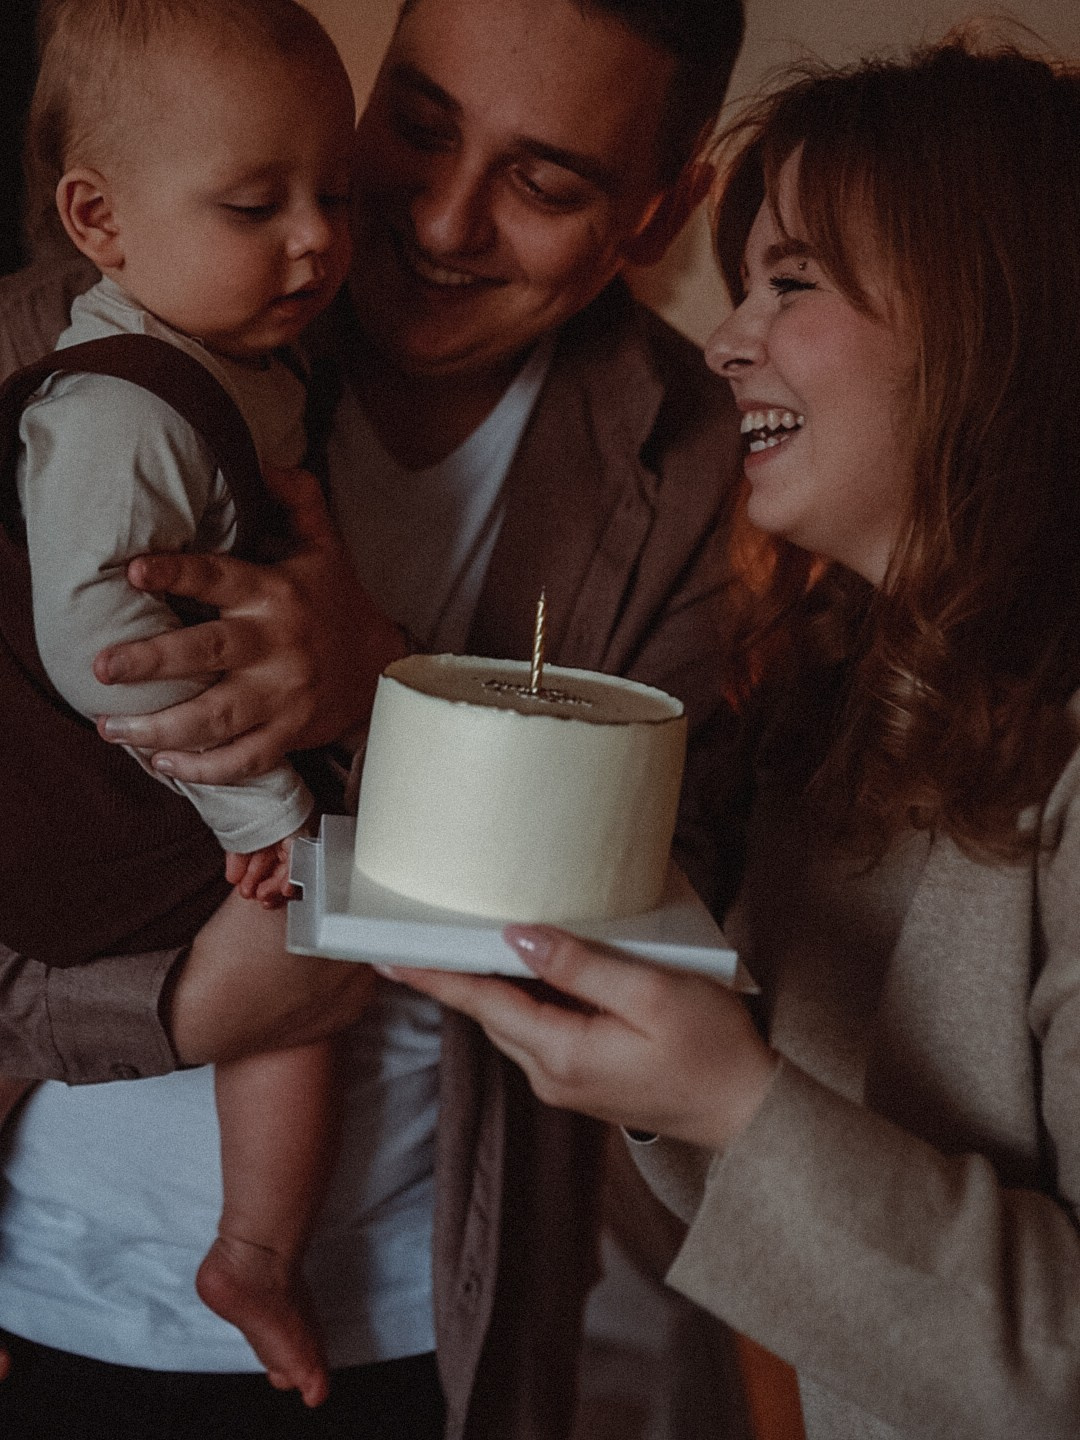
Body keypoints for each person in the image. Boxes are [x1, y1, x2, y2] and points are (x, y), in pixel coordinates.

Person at [0, 2, 749, 1438]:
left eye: (545, 182)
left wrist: (384, 686)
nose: (440, 221)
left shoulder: (677, 449)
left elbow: (677, 877)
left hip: (416, 1305)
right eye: (414, 126)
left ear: (660, 212)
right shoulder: (56, 354)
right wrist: (180, 1008)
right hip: (43, 1280)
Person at [382, 31, 1080, 1440]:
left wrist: (731, 1099)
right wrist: (666, 1073)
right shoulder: (853, 707)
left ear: (986, 317)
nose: (724, 339)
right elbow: (803, 1232)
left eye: (792, 283)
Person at [0, 0, 370, 1409]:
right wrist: (257, 803)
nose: (317, 239)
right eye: (254, 204)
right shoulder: (121, 411)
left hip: (147, 782)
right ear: (100, 218)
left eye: (331, 197)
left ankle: (253, 1255)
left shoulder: (239, 362)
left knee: (302, 978)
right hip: (94, 788)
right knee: (304, 931)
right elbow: (97, 638)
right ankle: (255, 1250)